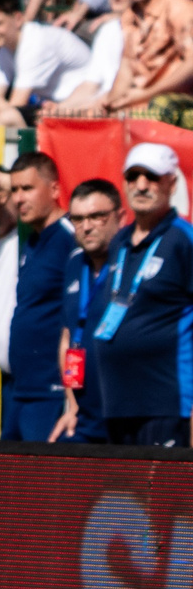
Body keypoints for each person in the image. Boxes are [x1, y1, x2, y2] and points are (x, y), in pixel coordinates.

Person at [87, 143, 193, 446]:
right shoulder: (119, 241)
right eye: (133, 176)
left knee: (165, 480)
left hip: (167, 404)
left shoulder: (184, 240)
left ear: (172, 183)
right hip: (118, 403)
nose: (141, 185)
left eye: (152, 177)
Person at [0, 151, 74, 442]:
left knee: (41, 470)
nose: (18, 198)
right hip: (20, 389)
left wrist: (70, 391)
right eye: (14, 190)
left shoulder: (70, 237)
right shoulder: (32, 240)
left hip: (50, 392)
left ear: (54, 189)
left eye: (27, 188)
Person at [52, 178, 123, 444]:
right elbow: (68, 337)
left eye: (96, 217)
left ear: (120, 217)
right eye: (78, 219)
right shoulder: (74, 263)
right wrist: (71, 404)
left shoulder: (131, 263)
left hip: (127, 415)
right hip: (84, 416)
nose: (87, 226)